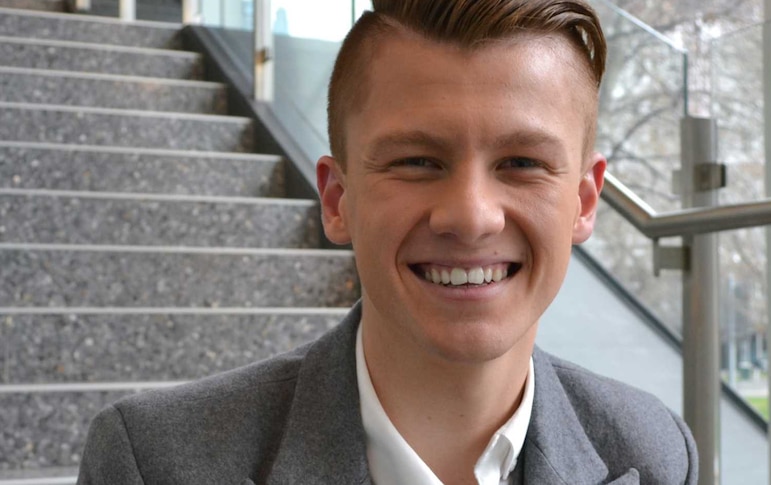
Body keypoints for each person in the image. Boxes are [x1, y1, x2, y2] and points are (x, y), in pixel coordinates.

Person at [77, 1, 698, 484]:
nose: (471, 217)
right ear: (337, 200)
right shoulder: (152, 463)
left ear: (584, 203)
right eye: (419, 162)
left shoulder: (656, 452)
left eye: (521, 162)